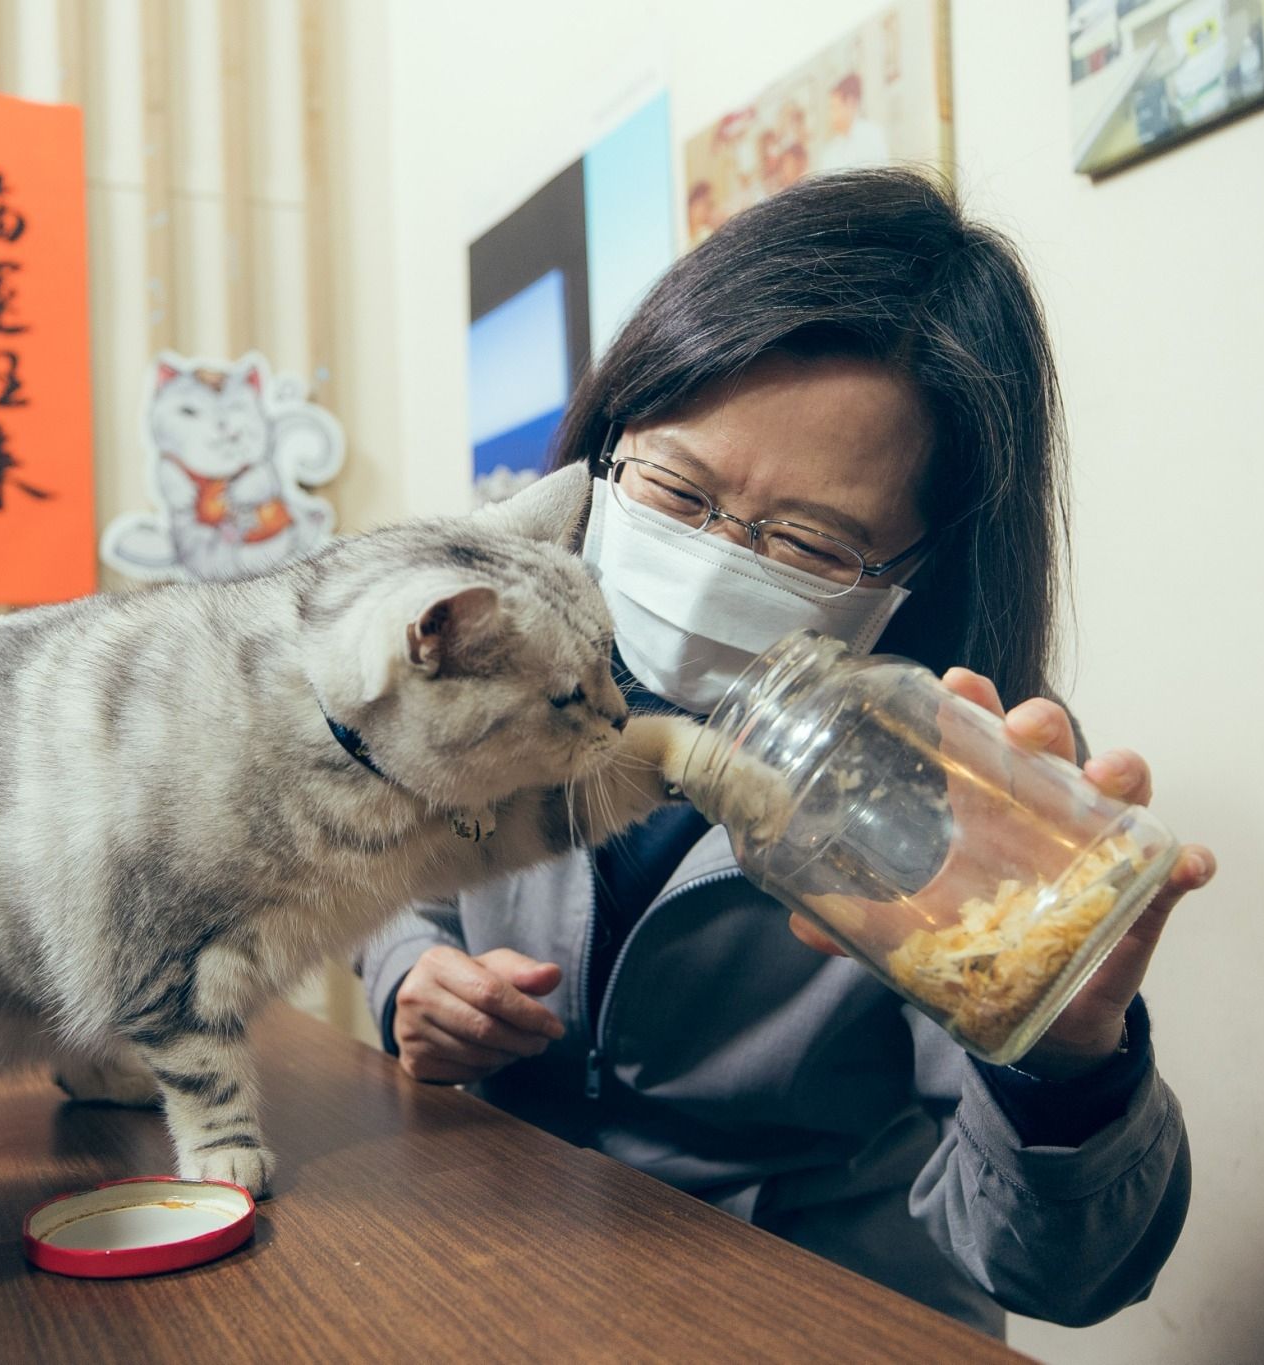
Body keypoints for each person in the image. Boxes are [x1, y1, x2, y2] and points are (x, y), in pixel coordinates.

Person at [357, 168, 1214, 1336]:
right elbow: (395, 889)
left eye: (807, 541)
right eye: (674, 487)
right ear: (608, 444)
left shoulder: (960, 789)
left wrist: (1061, 1058)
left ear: (912, 578)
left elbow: (1064, 1276)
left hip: (807, 1318)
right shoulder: (491, 648)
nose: (712, 562)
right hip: (514, 1269)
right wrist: (410, 979)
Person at [816, 72, 891, 172]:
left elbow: (878, 178)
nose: (830, 115)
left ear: (850, 103)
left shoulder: (871, 135)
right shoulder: (831, 150)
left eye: (834, 108)